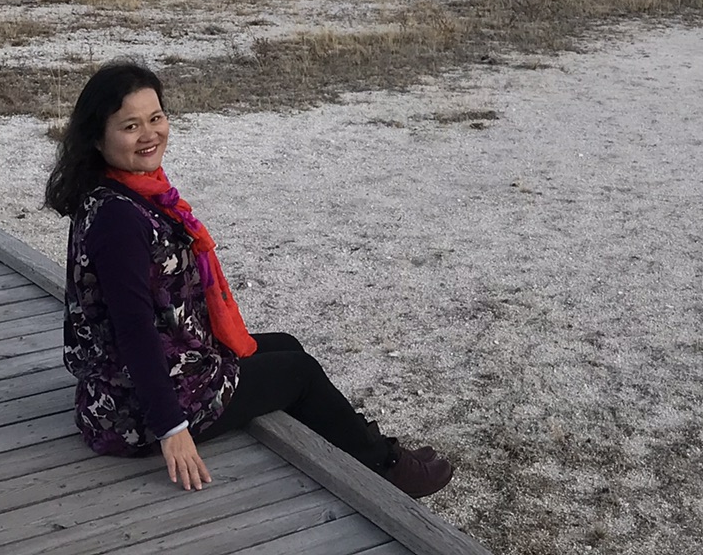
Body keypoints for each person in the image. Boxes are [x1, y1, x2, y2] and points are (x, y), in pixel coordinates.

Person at [44, 59, 454, 496]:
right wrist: (171, 427)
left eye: (156, 117)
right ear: (97, 137)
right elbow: (133, 330)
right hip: (134, 411)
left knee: (283, 346)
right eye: (130, 126)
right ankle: (387, 468)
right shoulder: (119, 219)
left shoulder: (125, 191)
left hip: (145, 378)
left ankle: (347, 445)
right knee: (299, 372)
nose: (150, 134)